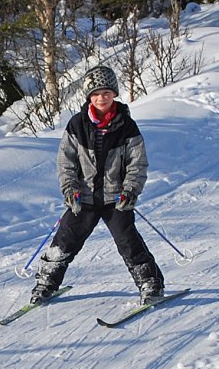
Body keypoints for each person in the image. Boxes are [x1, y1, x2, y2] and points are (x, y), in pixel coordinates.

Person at [29, 64, 166, 305]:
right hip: (84, 198)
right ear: (88, 97)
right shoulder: (77, 125)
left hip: (117, 199)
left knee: (128, 241)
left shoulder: (127, 126)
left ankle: (150, 283)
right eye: (95, 94)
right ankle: (46, 283)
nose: (101, 98)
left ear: (114, 94)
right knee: (65, 240)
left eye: (105, 93)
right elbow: (66, 162)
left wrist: (130, 190)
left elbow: (138, 163)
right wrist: (69, 189)